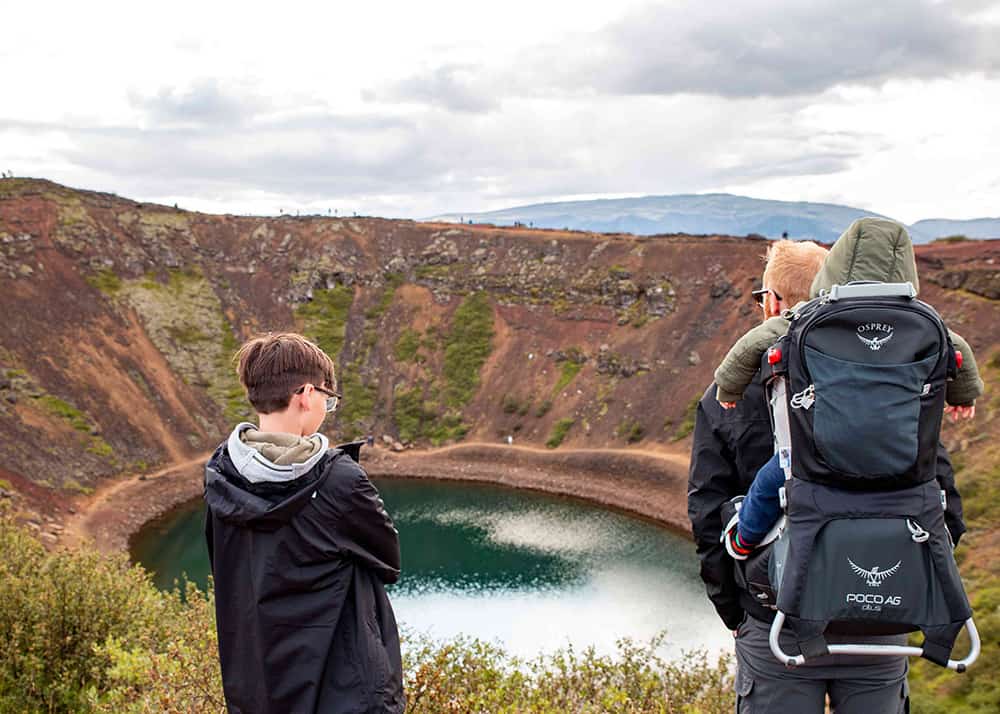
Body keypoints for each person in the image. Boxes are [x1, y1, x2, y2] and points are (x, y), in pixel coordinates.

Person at [687, 231, 968, 713]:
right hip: (878, 622)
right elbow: (943, 504)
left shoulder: (731, 395)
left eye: (761, 297)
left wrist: (735, 612)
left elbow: (709, 512)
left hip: (777, 624)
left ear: (773, 302)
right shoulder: (889, 393)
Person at [204, 333, 405, 714]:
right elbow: (389, 560)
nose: (326, 409)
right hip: (342, 695)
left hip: (258, 692)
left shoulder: (220, 474)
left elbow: (226, 568)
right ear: (306, 394)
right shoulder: (340, 481)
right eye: (327, 400)